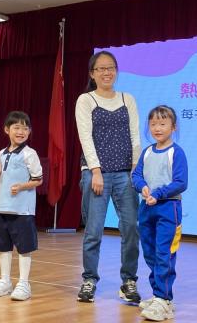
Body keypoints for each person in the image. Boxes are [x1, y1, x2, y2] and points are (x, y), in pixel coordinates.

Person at [75, 50, 141, 303]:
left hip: (125, 174)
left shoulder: (127, 99)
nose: (107, 72)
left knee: (131, 228)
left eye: (110, 67)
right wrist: (95, 171)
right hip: (96, 174)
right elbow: (85, 137)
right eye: (101, 68)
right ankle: (89, 280)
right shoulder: (86, 100)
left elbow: (135, 136)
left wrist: (135, 169)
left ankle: (129, 281)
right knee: (93, 231)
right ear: (92, 74)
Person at [132, 105, 187, 321]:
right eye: (153, 124)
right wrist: (142, 187)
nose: (157, 128)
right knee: (150, 253)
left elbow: (181, 182)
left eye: (163, 123)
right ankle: (160, 296)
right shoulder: (147, 152)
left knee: (165, 253)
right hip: (147, 208)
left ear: (173, 127)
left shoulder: (176, 152)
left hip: (168, 208)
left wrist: (159, 193)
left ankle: (163, 299)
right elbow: (136, 175)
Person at [0, 111, 43, 301]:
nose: (21, 132)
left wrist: (21, 186)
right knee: (3, 247)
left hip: (22, 210)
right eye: (16, 127)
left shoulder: (30, 154)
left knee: (24, 248)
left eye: (25, 128)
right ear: (6, 130)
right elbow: (2, 179)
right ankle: (5, 281)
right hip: (2, 208)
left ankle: (24, 283)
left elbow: (38, 179)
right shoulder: (1, 154)